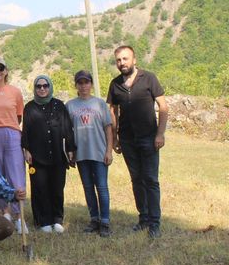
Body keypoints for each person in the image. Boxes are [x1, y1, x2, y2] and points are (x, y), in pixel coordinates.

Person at [107, 45, 168, 238]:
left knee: (150, 180)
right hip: (127, 140)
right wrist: (115, 137)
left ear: (134, 60)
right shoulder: (115, 84)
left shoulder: (149, 78)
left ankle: (154, 224)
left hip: (149, 138)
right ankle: (143, 219)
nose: (122, 63)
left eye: (125, 59)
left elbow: (163, 107)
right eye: (118, 60)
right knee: (136, 180)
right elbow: (112, 111)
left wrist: (160, 134)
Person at [21, 75, 76, 233]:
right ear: (35, 88)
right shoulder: (30, 107)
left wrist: (71, 149)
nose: (42, 89)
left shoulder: (59, 105)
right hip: (37, 156)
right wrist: (26, 150)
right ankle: (43, 220)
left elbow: (67, 128)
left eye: (45, 86)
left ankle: (57, 219)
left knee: (57, 187)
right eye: (39, 86)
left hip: (58, 155)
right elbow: (26, 131)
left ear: (50, 87)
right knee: (40, 188)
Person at [0, 57, 28, 234]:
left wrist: (9, 127)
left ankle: (19, 216)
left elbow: (18, 116)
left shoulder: (15, 92)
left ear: (6, 71)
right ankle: (4, 212)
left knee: (16, 174)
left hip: (12, 134)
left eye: (1, 68)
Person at [66, 70, 113, 237]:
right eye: (80, 83)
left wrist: (109, 150)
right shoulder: (70, 105)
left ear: (91, 84)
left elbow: (108, 128)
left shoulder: (100, 104)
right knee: (88, 188)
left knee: (102, 187)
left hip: (99, 152)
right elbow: (68, 132)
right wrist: (70, 151)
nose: (83, 85)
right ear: (76, 85)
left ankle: (105, 221)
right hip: (81, 154)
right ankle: (94, 219)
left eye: (86, 82)